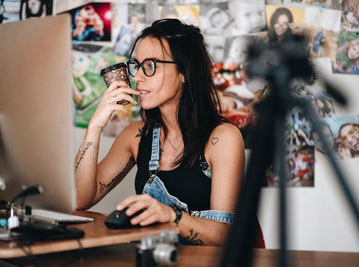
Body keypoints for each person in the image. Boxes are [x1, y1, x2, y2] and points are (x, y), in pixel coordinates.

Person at [75, 19, 264, 246]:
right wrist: (94, 127)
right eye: (137, 65)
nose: (138, 77)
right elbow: (79, 199)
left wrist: (170, 216)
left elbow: (227, 236)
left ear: (184, 72)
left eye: (151, 66)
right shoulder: (135, 136)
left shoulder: (222, 138)